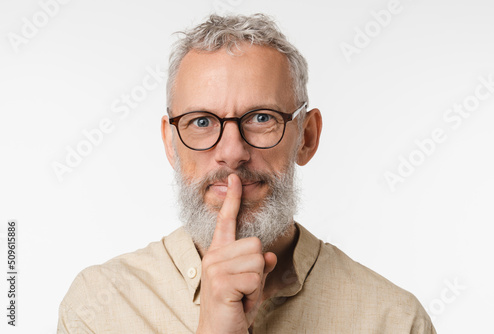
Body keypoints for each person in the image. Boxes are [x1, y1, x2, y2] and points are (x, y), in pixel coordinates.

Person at [58, 13, 436, 333]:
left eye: (261, 118)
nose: (233, 153)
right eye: (201, 121)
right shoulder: (97, 309)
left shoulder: (394, 321)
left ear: (306, 137)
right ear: (171, 144)